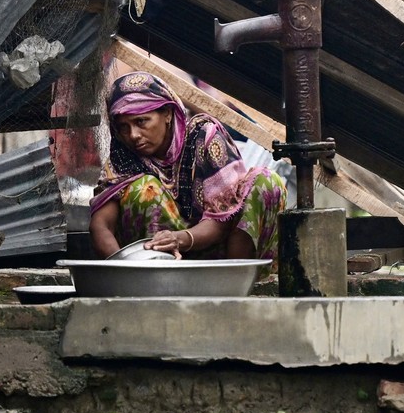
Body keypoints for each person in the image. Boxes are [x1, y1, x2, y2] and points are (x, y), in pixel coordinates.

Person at [89, 71, 287, 268]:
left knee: (267, 181)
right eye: (123, 127)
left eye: (141, 121)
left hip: (219, 253)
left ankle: (234, 278)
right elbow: (101, 225)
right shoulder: (123, 156)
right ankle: (157, 279)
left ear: (167, 113)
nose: (133, 135)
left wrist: (180, 238)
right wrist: (120, 270)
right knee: (143, 188)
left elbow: (224, 218)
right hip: (156, 261)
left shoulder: (204, 136)